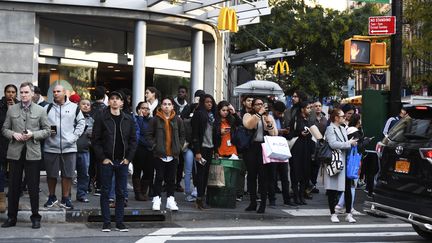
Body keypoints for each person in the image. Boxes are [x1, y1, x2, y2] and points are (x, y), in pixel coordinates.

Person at [1, 82, 50, 228]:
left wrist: (33, 134)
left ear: (32, 93)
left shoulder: (40, 110)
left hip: (32, 153)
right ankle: (11, 218)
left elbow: (47, 130)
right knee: (13, 186)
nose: (23, 95)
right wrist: (14, 134)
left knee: (33, 187)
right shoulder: (12, 110)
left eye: (26, 92)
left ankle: (35, 217)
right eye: (21, 92)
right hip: (15, 153)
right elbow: (4, 129)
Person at [92, 91, 137, 232]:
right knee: (105, 192)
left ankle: (119, 222)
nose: (115, 101)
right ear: (109, 102)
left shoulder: (128, 119)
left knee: (121, 193)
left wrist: (128, 159)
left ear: (122, 102)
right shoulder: (101, 118)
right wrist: (103, 158)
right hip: (107, 161)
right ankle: (106, 222)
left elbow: (133, 141)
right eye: (112, 99)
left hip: (122, 162)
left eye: (118, 99)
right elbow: (95, 140)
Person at [43, 84, 86, 210]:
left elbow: (81, 123)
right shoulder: (47, 108)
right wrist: (46, 131)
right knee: (51, 174)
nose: (56, 93)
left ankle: (65, 198)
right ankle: (51, 197)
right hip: (51, 146)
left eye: (58, 91)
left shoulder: (74, 108)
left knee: (68, 174)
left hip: (69, 147)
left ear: (64, 93)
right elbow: (41, 123)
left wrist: (73, 137)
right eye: (54, 91)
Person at [147, 97, 185, 211]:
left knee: (171, 179)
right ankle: (157, 199)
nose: (167, 106)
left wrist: (179, 147)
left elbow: (182, 135)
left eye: (169, 104)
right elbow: (148, 135)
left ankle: (170, 199)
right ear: (161, 106)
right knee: (158, 177)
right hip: (159, 154)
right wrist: (155, 146)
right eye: (164, 104)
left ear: (173, 106)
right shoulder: (155, 119)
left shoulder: (177, 120)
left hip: (173, 154)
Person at [242, 98, 278, 213]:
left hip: (264, 148)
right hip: (252, 148)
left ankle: (262, 204)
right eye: (257, 104)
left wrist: (269, 123)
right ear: (253, 106)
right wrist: (258, 114)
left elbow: (274, 133)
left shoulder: (268, 116)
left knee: (263, 177)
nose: (260, 106)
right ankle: (252, 202)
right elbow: (249, 126)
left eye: (261, 104)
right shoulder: (248, 115)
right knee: (252, 176)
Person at [324, 108, 358, 223]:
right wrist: (349, 143)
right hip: (335, 161)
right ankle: (333, 213)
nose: (345, 118)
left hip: (344, 161)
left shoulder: (343, 129)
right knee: (333, 189)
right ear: (336, 118)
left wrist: (351, 143)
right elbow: (333, 144)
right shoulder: (330, 128)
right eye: (342, 116)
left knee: (347, 188)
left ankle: (348, 213)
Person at [335, 113, 371, 215]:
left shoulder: (347, 130)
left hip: (347, 158)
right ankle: (348, 207)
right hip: (354, 160)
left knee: (349, 183)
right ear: (358, 121)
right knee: (352, 183)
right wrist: (367, 141)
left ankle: (340, 206)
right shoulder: (355, 132)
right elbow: (358, 147)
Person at [191, 94, 217, 210]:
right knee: (201, 174)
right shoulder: (198, 114)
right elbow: (195, 134)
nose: (209, 104)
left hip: (210, 148)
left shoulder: (213, 115)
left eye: (211, 102)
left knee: (206, 174)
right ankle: (199, 199)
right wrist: (197, 151)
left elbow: (215, 134)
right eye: (207, 102)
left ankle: (202, 198)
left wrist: (215, 149)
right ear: (202, 102)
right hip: (201, 148)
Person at [287, 101, 314, 205]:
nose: (309, 110)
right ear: (302, 109)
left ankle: (302, 195)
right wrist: (299, 133)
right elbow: (289, 134)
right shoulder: (295, 119)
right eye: (308, 108)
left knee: (305, 173)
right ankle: (296, 196)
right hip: (296, 149)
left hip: (306, 150)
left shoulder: (308, 120)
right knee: (295, 173)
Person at [268, 101, 295, 206]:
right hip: (272, 147)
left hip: (281, 147)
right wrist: (281, 131)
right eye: (279, 113)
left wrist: (286, 131)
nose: (280, 115)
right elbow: (270, 131)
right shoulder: (269, 117)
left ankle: (287, 199)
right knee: (272, 176)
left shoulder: (282, 119)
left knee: (284, 176)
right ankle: (272, 199)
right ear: (274, 110)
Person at [0, 84, 18, 214]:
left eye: (13, 92)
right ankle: (1, 198)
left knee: (14, 172)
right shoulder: (0, 105)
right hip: (1, 142)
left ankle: (13, 196)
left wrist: (13, 110)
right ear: (4, 93)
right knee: (0, 171)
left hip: (15, 143)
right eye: (8, 92)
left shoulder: (20, 106)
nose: (10, 94)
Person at [132, 101, 154, 201]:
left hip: (150, 149)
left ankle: (143, 192)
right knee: (137, 170)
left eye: (147, 108)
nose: (146, 110)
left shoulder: (151, 120)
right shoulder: (135, 119)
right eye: (143, 108)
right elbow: (139, 131)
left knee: (149, 171)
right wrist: (140, 117)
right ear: (138, 109)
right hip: (139, 148)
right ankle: (138, 193)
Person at [90, 86, 107, 196]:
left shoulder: (88, 107)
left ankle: (88, 185)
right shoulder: (106, 109)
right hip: (102, 140)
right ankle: (99, 186)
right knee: (101, 163)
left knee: (90, 163)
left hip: (89, 139)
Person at [75, 99, 94, 203]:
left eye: (88, 104)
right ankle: (67, 196)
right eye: (83, 104)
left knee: (84, 174)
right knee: (69, 175)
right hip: (71, 149)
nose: (86, 106)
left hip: (85, 150)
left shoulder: (91, 120)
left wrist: (91, 137)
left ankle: (81, 194)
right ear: (78, 105)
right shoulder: (72, 118)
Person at [308, 101, 328, 194]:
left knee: (317, 166)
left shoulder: (324, 119)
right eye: (316, 106)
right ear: (313, 108)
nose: (318, 108)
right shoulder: (310, 118)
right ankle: (308, 184)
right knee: (309, 166)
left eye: (320, 106)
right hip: (311, 144)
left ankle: (314, 184)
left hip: (320, 146)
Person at [173, 85, 189, 193]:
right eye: (179, 92)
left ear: (186, 94)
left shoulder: (188, 106)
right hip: (172, 136)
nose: (180, 93)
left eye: (183, 92)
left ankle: (178, 183)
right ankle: (168, 182)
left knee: (180, 163)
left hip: (183, 137)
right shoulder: (172, 103)